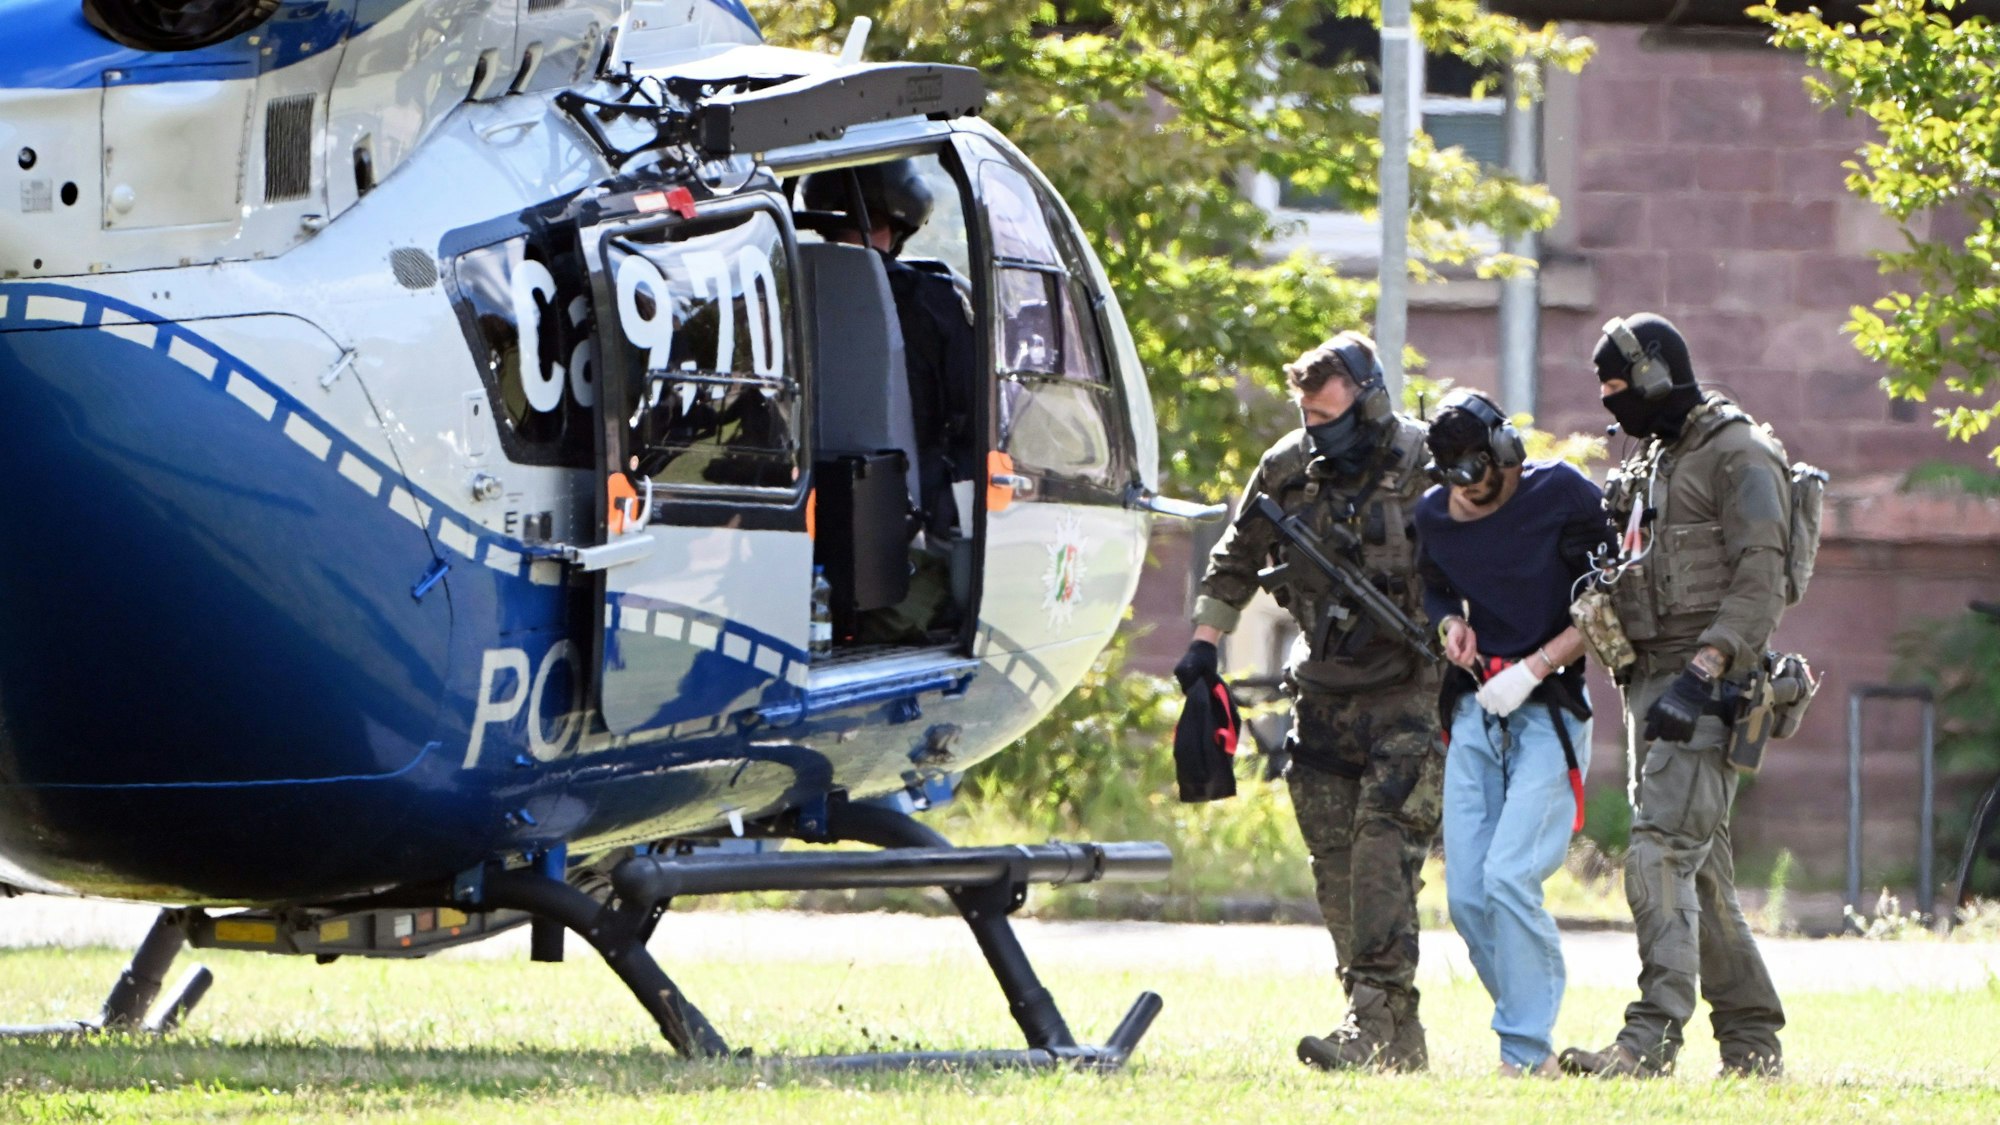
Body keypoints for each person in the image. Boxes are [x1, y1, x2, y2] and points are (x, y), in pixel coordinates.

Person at [1176, 332, 1441, 1072]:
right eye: (1308, 415)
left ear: (1372, 397)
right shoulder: (1290, 468)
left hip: (1412, 694)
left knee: (1382, 847)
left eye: (1331, 414)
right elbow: (1233, 559)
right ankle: (1392, 1028)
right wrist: (1204, 644)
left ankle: (1369, 1021)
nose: (1319, 430)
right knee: (1335, 862)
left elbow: (1483, 551)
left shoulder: (1424, 462)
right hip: (1323, 693)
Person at [1560, 312, 1790, 1079]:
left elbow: (1763, 577)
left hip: (1706, 686)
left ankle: (1650, 1038)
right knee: (1700, 869)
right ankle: (1753, 1040)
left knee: (1659, 852)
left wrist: (1705, 670)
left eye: (1618, 385)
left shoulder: (1738, 453)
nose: (1609, 402)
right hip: (1650, 680)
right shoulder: (1660, 457)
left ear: (1658, 374)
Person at [1413, 389, 1611, 1078]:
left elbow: (1606, 608)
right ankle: (1532, 1036)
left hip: (1547, 708)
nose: (1464, 494)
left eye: (1474, 474)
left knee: (1508, 875)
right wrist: (1449, 625)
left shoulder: (1566, 498)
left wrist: (1532, 668)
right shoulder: (1434, 515)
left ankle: (1523, 1052)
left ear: (1504, 451)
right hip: (1475, 710)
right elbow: (1436, 585)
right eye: (1451, 479)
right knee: (1467, 895)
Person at [800, 160, 977, 541]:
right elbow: (974, 411)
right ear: (900, 221)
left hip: (796, 503)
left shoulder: (785, 290)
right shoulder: (933, 300)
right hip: (904, 521)